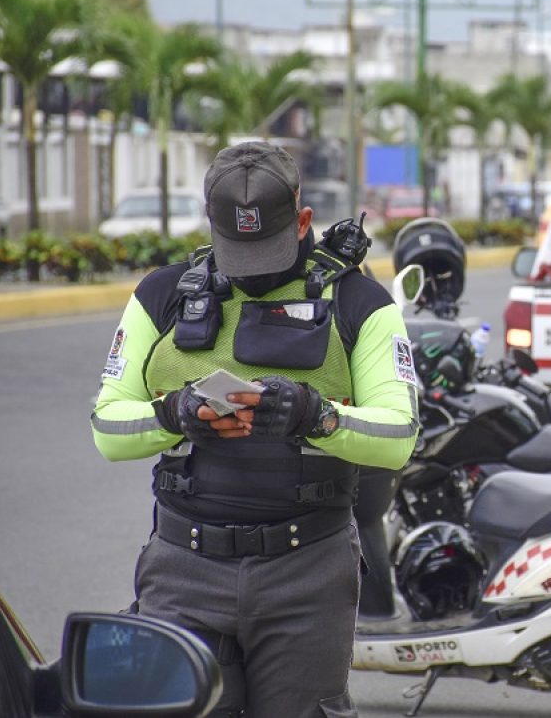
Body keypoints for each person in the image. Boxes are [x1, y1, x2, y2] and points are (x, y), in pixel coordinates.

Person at [90, 141, 421, 716]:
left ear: (303, 220)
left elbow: (399, 435)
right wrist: (176, 415)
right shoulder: (161, 297)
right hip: (183, 568)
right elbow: (107, 428)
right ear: (212, 226)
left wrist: (314, 415)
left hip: (307, 575)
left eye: (266, 248)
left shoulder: (361, 304)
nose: (253, 273)